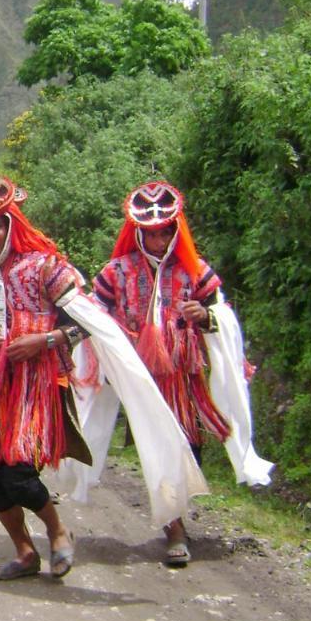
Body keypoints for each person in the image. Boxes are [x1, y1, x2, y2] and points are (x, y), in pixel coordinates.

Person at [92, 181, 272, 566]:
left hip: (184, 378)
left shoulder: (197, 271)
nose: (158, 242)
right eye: (150, 234)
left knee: (189, 446)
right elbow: (95, 313)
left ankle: (177, 513)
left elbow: (222, 317)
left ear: (176, 231)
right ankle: (174, 528)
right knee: (156, 444)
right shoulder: (117, 272)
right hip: (143, 380)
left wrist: (205, 316)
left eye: (164, 233)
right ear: (138, 233)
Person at [0, 177, 87, 580]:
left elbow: (86, 322)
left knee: (20, 475)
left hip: (36, 387)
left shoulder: (44, 266)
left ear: (11, 222)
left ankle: (59, 532)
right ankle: (25, 552)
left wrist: (45, 340)